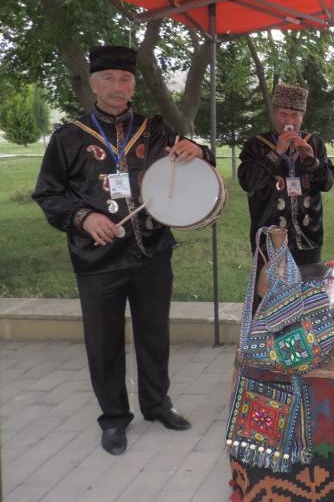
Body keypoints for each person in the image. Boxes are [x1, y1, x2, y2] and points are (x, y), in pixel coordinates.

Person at [32, 45, 212, 456]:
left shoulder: (156, 130)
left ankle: (156, 404)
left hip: (152, 253)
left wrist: (198, 151)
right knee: (103, 342)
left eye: (126, 79)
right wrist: (82, 217)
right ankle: (113, 419)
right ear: (94, 84)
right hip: (97, 259)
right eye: (109, 79)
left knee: (154, 335)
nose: (118, 86)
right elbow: (48, 193)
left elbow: (199, 160)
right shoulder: (69, 137)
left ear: (134, 86)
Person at [238, 83, 334, 265]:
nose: (289, 121)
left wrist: (311, 161)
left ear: (302, 116)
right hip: (269, 241)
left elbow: (328, 183)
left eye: (295, 115)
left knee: (307, 291)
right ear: (274, 114)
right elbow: (248, 181)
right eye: (283, 114)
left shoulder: (314, 143)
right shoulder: (255, 144)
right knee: (270, 291)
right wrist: (276, 152)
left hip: (309, 240)